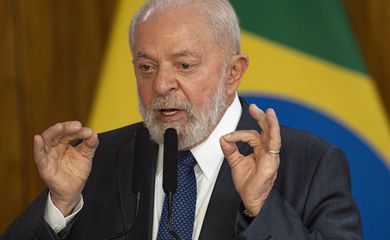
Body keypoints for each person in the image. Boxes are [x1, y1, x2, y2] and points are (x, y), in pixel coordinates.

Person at [2, 0, 362, 239]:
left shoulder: (310, 164)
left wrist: (261, 209)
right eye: (146, 67)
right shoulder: (95, 161)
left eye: (185, 66)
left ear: (234, 72)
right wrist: (59, 208)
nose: (160, 84)